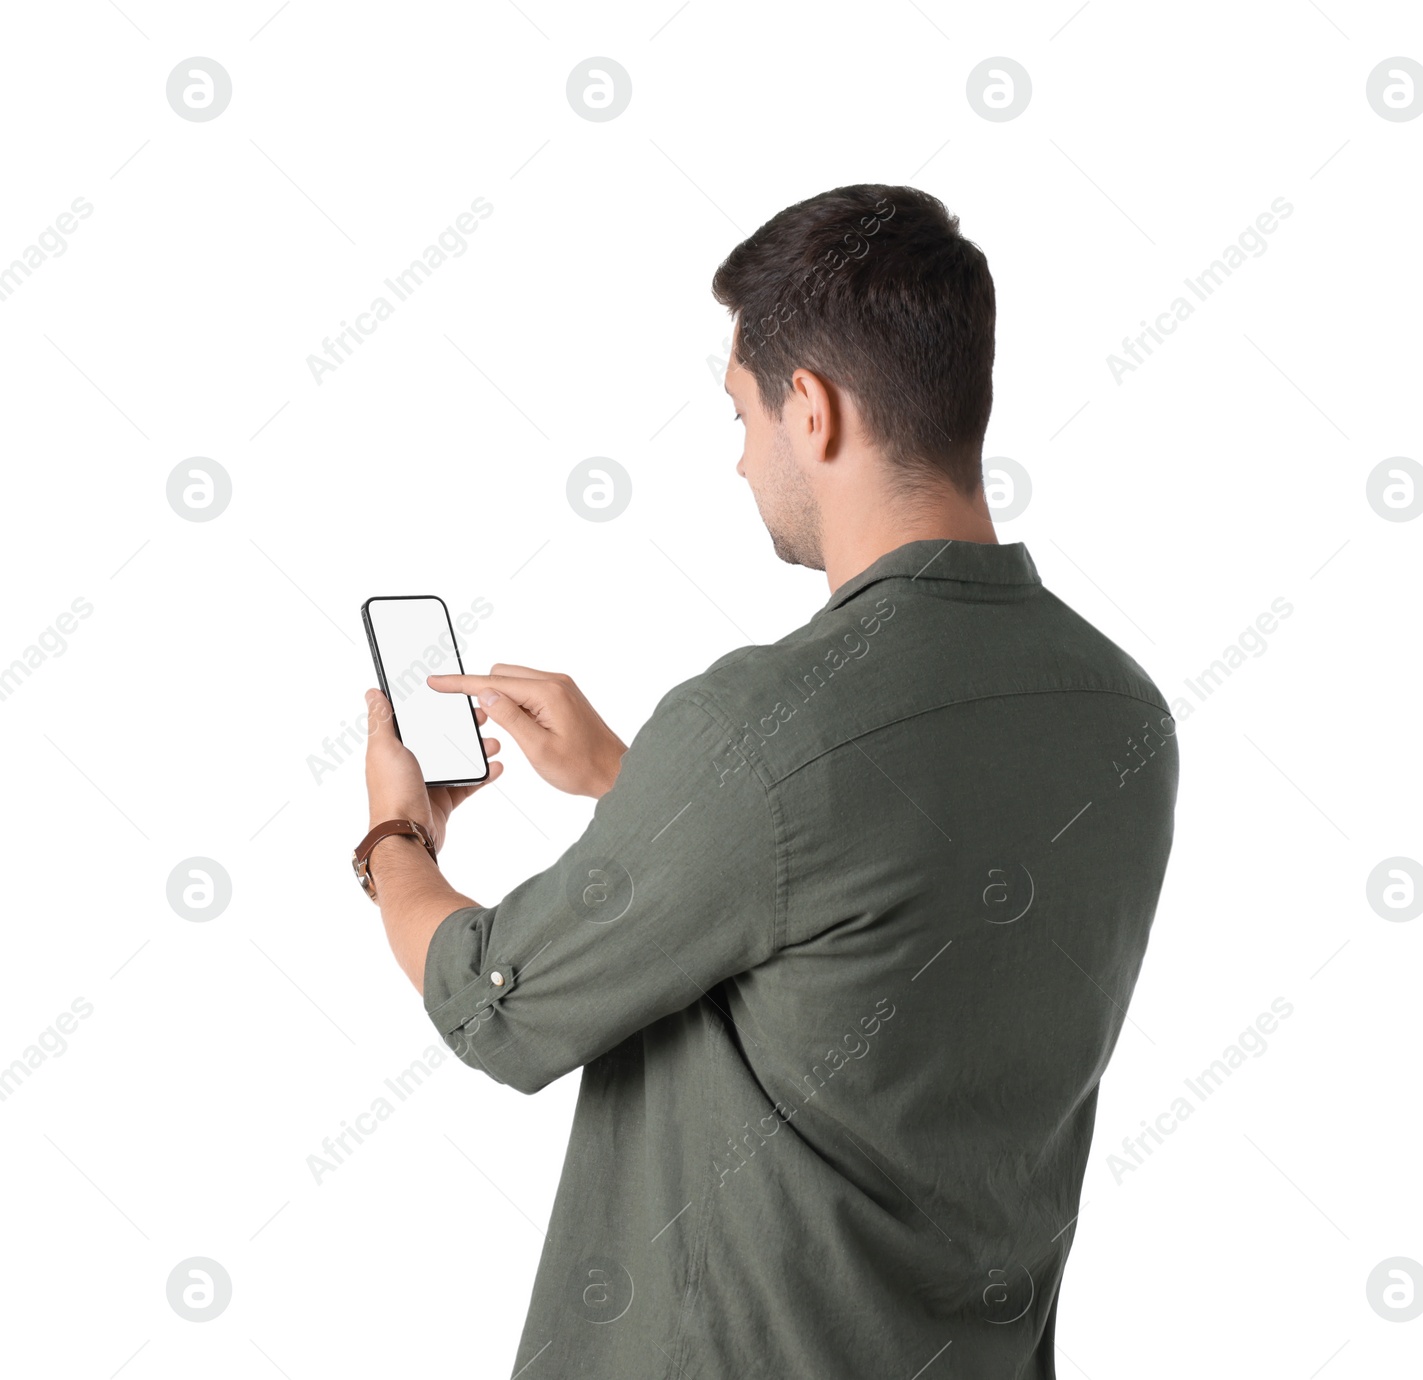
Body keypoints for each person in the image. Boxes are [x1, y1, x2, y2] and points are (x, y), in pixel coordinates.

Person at [357, 183, 1179, 1378]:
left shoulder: (756, 728)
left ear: (814, 408)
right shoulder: (1122, 711)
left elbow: (493, 1003)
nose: (737, 459)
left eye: (741, 411)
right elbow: (875, 918)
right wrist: (641, 791)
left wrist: (394, 836)